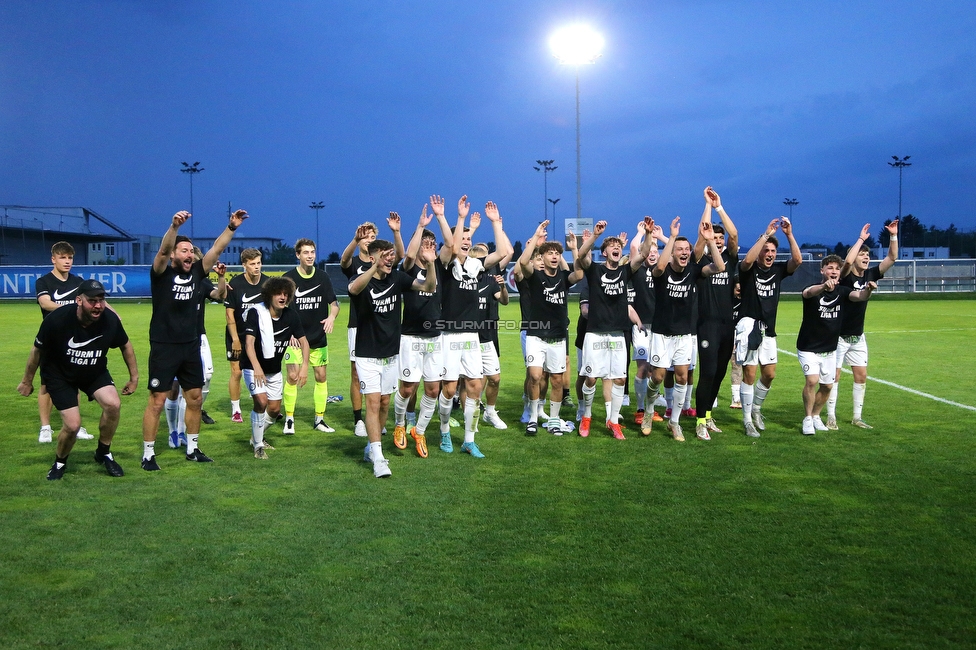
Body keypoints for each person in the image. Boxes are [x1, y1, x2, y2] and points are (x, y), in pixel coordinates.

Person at [141, 209, 247, 471]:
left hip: (190, 346)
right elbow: (163, 252)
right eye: (184, 251)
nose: (189, 254)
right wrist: (174, 227)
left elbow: (216, 250)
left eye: (191, 251)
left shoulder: (197, 274)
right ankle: (148, 454)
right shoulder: (161, 273)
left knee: (196, 398)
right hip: (164, 346)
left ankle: (193, 448)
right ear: (175, 254)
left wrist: (231, 228)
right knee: (157, 399)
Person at [18, 280, 138, 480]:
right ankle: (60, 462)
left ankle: (104, 452)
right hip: (60, 375)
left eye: (101, 300)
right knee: (73, 425)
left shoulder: (109, 320)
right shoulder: (57, 319)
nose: (98, 305)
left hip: (93, 371)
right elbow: (37, 351)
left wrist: (134, 378)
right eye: (92, 301)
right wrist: (27, 381)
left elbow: (126, 345)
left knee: (113, 404)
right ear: (78, 301)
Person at [348, 238, 437, 477]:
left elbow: (428, 287)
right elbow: (353, 289)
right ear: (373, 257)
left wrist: (430, 264)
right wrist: (373, 268)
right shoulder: (362, 280)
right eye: (385, 255)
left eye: (391, 256)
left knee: (385, 402)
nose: (391, 259)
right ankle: (378, 458)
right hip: (367, 354)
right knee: (373, 403)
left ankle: (370, 446)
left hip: (390, 354)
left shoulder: (397, 278)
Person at [436, 197, 513, 457]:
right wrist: (458, 219)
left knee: (475, 388)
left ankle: (469, 440)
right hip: (448, 336)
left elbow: (502, 253)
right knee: (448, 390)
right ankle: (445, 431)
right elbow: (450, 244)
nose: (466, 243)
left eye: (469, 240)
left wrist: (495, 224)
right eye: (463, 240)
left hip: (472, 336)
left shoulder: (476, 266)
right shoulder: (445, 266)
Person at [643, 217, 726, 442]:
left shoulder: (694, 270)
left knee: (682, 377)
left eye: (686, 249)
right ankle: (649, 411)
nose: (684, 252)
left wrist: (709, 241)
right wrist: (670, 236)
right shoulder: (661, 271)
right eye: (679, 249)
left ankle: (674, 422)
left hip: (684, 334)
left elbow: (719, 267)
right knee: (658, 377)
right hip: (662, 333)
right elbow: (659, 266)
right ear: (671, 252)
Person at [574, 218, 654, 439]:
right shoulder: (595, 271)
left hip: (618, 334)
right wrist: (596, 236)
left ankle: (613, 421)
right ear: (605, 252)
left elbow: (644, 253)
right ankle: (587, 417)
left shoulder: (626, 271)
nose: (617, 247)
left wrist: (648, 234)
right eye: (612, 246)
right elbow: (581, 256)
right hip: (595, 333)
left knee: (619, 379)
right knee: (591, 378)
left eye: (619, 246)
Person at [391, 202, 454, 457]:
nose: (430, 249)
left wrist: (441, 217)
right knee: (407, 388)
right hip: (410, 336)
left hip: (434, 337)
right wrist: (419, 227)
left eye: (432, 245)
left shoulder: (439, 265)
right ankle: (398, 425)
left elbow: (450, 246)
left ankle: (419, 430)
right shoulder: (407, 270)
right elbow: (407, 256)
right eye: (425, 245)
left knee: (433, 390)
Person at [825, 220, 899, 429]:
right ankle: (831, 416)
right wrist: (860, 240)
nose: (866, 257)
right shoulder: (846, 275)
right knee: (835, 376)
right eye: (862, 254)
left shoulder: (871, 274)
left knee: (861, 375)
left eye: (868, 254)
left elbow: (892, 257)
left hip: (858, 335)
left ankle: (857, 417)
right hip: (839, 335)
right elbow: (847, 263)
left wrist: (893, 235)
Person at [735, 217, 802, 437]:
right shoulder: (748, 270)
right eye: (766, 250)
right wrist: (765, 234)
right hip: (750, 329)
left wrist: (789, 234)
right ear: (759, 251)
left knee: (770, 374)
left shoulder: (778, 271)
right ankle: (746, 421)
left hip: (769, 330)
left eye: (773, 250)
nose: (770, 254)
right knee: (749, 375)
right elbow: (745, 263)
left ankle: (755, 409)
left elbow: (798, 261)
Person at [796, 255, 876, 435]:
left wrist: (869, 290)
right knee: (812, 381)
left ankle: (816, 416)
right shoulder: (813, 290)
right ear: (822, 271)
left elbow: (860, 296)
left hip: (830, 349)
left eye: (837, 269)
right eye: (830, 268)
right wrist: (824, 287)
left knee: (827, 386)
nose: (834, 271)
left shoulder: (843, 292)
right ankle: (807, 419)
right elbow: (808, 293)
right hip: (808, 347)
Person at [518, 220, 583, 435]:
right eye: (550, 253)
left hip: (557, 336)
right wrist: (536, 237)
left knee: (556, 379)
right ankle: (533, 418)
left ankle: (554, 419)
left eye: (557, 253)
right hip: (536, 336)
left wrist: (574, 250)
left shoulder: (564, 277)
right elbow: (524, 261)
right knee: (535, 376)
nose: (554, 256)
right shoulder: (535, 276)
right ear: (543, 257)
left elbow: (579, 275)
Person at [341, 215, 404, 436]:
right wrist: (353, 239)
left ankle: (377, 421)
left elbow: (401, 257)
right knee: (356, 374)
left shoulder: (385, 265)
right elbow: (344, 262)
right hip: (358, 324)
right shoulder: (357, 264)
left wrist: (396, 233)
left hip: (380, 324)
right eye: (365, 237)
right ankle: (359, 419)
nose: (369, 240)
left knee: (382, 388)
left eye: (372, 237)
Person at [34, 241, 95, 443]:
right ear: (53, 259)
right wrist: (69, 308)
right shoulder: (44, 282)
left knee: (73, 383)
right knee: (46, 385)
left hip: (74, 339)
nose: (67, 261)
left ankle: (74, 425)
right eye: (62, 257)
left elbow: (93, 300)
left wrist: (112, 314)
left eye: (69, 258)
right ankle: (45, 428)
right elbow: (45, 303)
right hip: (51, 339)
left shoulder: (78, 282)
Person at [165, 251, 227, 449]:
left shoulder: (201, 282)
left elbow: (219, 295)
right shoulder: (169, 280)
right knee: (173, 389)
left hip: (197, 337)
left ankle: (184, 428)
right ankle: (172, 432)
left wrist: (221, 278)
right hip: (172, 341)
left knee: (203, 379)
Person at [243, 277, 309, 458]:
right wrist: (256, 367)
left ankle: (256, 436)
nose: (282, 297)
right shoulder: (256, 313)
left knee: (274, 410)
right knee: (261, 403)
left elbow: (304, 343)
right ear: (269, 295)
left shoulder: (291, 315)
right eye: (278, 293)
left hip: (274, 370)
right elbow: (249, 344)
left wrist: (304, 367)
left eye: (286, 294)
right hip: (252, 367)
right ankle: (258, 446)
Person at [692, 187, 739, 438]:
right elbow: (702, 234)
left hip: (727, 325)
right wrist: (708, 208)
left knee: (720, 373)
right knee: (708, 372)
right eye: (714, 237)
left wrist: (719, 206)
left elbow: (734, 233)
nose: (718, 240)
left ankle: (708, 416)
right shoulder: (700, 261)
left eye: (719, 238)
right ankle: (699, 421)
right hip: (706, 324)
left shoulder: (730, 260)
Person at [282, 238, 340, 434]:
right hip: (295, 339)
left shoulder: (322, 277)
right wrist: (287, 330)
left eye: (312, 252)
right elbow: (280, 308)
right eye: (305, 252)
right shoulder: (288, 278)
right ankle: (289, 419)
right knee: (292, 376)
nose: (310, 256)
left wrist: (332, 317)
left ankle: (319, 419)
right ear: (298, 255)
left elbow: (334, 304)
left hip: (318, 337)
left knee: (321, 376)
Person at [225, 248, 269, 423]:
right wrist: (235, 339)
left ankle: (260, 403)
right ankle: (236, 409)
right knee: (236, 372)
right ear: (244, 265)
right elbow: (229, 314)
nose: (256, 267)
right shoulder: (235, 284)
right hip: (238, 336)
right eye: (252, 264)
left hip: (259, 338)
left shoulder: (268, 283)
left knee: (260, 371)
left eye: (258, 263)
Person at [628, 221, 666, 426]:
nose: (652, 253)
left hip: (660, 328)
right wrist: (641, 233)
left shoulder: (663, 271)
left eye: (655, 250)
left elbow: (677, 251)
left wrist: (660, 238)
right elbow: (635, 248)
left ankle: (652, 408)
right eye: (648, 250)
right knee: (643, 368)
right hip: (642, 326)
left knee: (656, 369)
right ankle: (640, 409)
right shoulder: (638, 271)